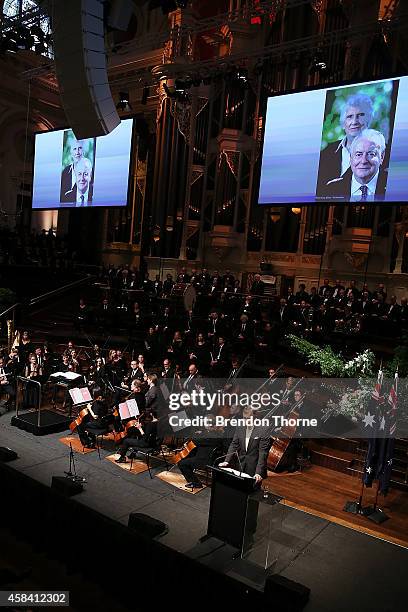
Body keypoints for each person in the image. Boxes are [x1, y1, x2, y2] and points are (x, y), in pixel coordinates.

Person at [317, 93, 374, 191]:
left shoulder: (381, 152)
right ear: (343, 123)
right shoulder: (326, 152)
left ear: (369, 119)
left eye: (360, 115)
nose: (354, 121)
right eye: (350, 116)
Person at [320, 129, 387, 202]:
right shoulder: (331, 189)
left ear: (382, 157)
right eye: (358, 154)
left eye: (371, 154)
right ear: (351, 157)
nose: (363, 161)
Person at [219, 406, 270, 484]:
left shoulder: (263, 429)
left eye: (248, 418)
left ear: (255, 417)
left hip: (254, 467)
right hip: (240, 464)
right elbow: (234, 444)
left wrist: (258, 472)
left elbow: (263, 452)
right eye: (244, 418)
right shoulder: (240, 426)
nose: (246, 421)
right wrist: (227, 461)